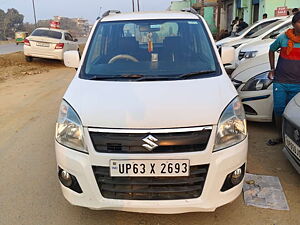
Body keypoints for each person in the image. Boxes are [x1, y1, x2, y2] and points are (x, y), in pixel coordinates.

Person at [267, 12, 300, 145]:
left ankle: (291, 138)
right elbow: (271, 49)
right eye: (299, 22)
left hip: (298, 83)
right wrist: (272, 68)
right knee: (279, 110)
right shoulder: (283, 38)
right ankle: (280, 136)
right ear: (293, 24)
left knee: (294, 113)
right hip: (280, 81)